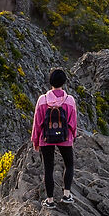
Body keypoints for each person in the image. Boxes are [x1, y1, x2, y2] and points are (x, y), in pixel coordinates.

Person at [31, 68, 78, 203]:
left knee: (48, 169)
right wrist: (73, 136)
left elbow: (37, 123)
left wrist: (36, 140)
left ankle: (50, 200)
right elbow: (73, 122)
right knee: (69, 164)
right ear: (64, 82)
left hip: (46, 138)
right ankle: (66, 194)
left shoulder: (42, 100)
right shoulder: (69, 100)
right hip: (65, 137)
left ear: (50, 81)